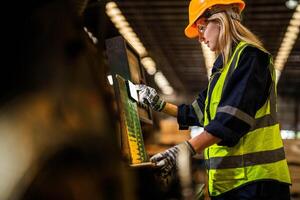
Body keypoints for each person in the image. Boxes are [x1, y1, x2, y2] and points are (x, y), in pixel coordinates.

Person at [137, 0, 292, 199]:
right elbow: (197, 113)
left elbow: (231, 121)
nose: (200, 38)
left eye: (201, 27)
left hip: (257, 184)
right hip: (234, 184)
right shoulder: (222, 69)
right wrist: (158, 104)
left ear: (220, 20)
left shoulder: (251, 58)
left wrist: (183, 151)